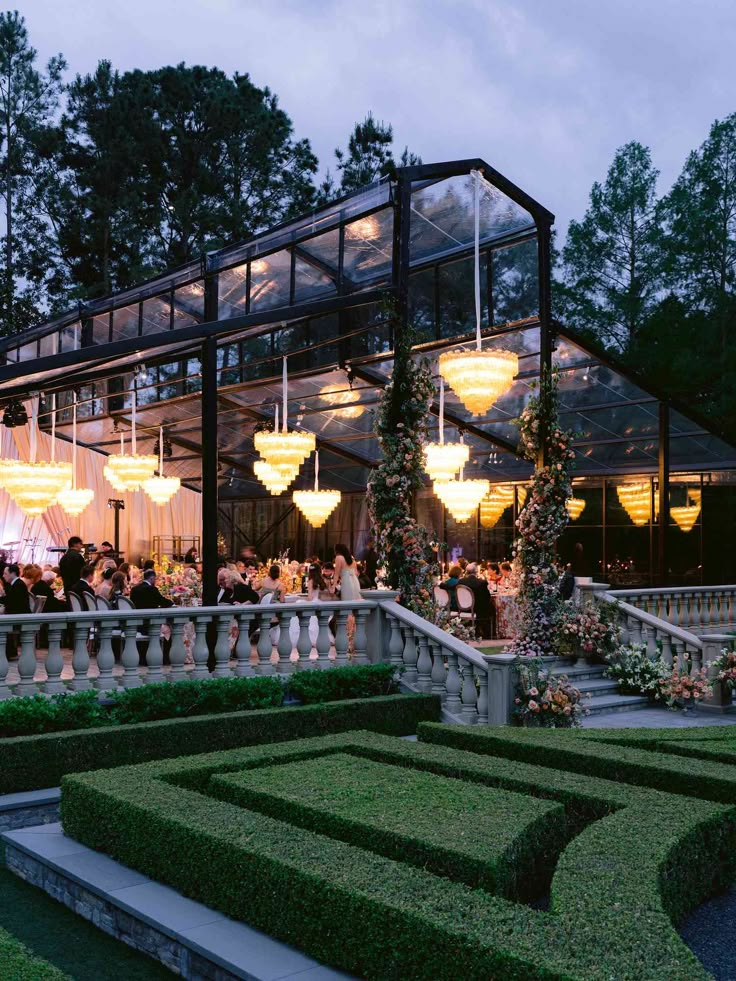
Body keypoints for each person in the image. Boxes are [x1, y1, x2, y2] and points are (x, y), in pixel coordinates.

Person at [458, 562, 494, 640]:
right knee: (492, 607)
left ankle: (476, 629)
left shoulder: (461, 582)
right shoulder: (482, 583)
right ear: (476, 571)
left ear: (467, 572)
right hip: (478, 609)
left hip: (463, 609)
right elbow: (487, 597)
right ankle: (489, 633)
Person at [59, 536, 86, 601]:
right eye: (80, 543)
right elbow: (83, 573)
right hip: (77, 588)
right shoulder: (78, 556)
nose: (81, 546)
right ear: (75, 544)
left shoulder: (63, 557)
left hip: (67, 587)